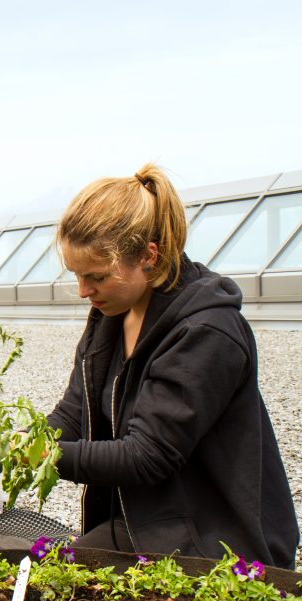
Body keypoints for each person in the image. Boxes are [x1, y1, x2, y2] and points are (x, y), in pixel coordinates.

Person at [47, 163, 298, 568]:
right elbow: (73, 414)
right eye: (76, 275)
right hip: (145, 522)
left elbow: (147, 456)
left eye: (95, 276)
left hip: (217, 543)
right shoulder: (111, 314)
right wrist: (9, 446)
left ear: (148, 256)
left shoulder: (208, 330)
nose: (82, 291)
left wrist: (39, 455)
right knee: (43, 578)